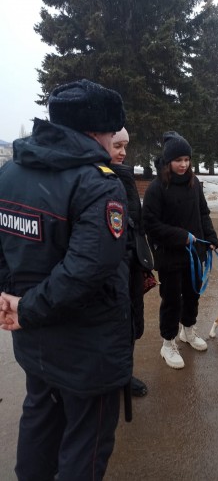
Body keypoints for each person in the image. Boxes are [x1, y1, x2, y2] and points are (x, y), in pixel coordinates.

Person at [0, 79, 133, 480]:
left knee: (39, 419)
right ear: (94, 132)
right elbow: (88, 269)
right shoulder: (98, 183)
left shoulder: (11, 173)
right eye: (111, 133)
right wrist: (26, 308)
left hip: (33, 339)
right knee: (85, 443)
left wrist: (12, 298)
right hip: (85, 349)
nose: (113, 141)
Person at [142, 131, 218, 369]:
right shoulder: (156, 188)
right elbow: (150, 224)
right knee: (172, 300)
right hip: (170, 255)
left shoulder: (194, 184)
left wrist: (211, 237)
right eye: (178, 160)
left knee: (193, 295)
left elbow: (203, 212)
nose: (184, 164)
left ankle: (188, 330)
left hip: (195, 253)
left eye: (187, 159)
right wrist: (180, 237)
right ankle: (168, 343)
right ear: (168, 162)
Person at [106, 127, 150, 397]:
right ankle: (110, 379)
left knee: (132, 321)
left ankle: (124, 374)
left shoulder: (125, 175)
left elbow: (137, 222)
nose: (123, 152)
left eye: (126, 146)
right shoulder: (95, 178)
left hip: (132, 264)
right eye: (117, 146)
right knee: (111, 325)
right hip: (109, 269)